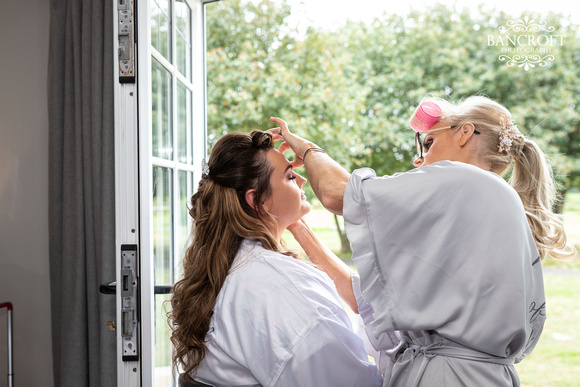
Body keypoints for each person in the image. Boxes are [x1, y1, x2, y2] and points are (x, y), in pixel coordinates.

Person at [268, 95, 576, 387]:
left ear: (464, 133)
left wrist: (308, 149)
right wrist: (298, 227)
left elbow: (337, 192)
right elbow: (369, 301)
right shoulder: (490, 199)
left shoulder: (461, 179)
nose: (420, 159)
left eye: (427, 143)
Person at [169, 130, 382, 386]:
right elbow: (352, 382)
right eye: (290, 176)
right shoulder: (285, 289)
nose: (303, 180)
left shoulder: (227, 267)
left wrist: (292, 223)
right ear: (256, 200)